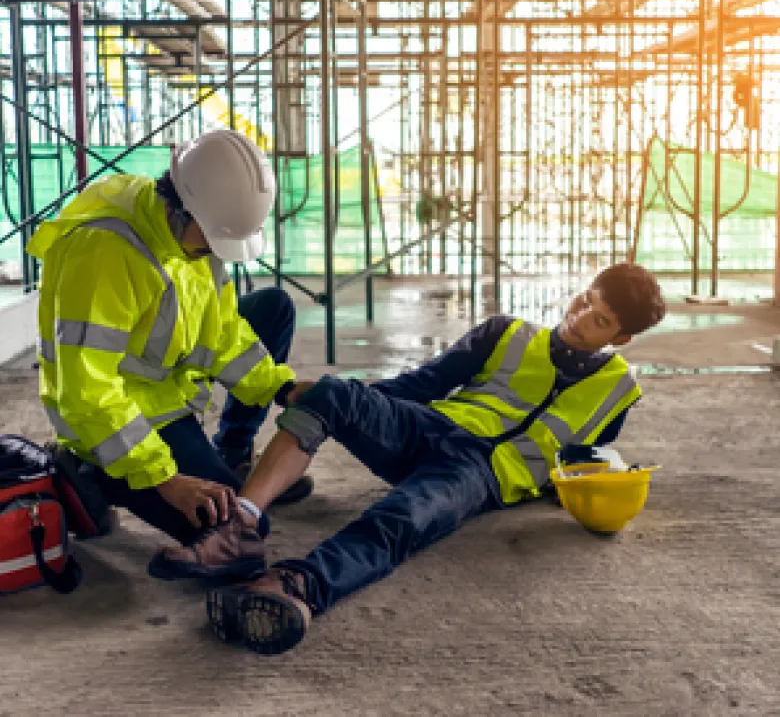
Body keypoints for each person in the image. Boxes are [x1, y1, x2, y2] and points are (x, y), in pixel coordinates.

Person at [151, 262, 666, 654]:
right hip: (431, 429)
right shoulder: (506, 333)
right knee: (332, 394)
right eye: (583, 300)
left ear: (619, 338)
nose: (578, 318)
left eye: (597, 319)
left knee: (403, 519)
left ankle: (297, 586)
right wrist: (355, 403)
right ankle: (240, 526)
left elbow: (584, 456)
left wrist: (597, 492)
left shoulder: (618, 390)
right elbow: (420, 385)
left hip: (479, 476)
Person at [27, 129, 312, 555]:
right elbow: (87, 393)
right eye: (214, 240)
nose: (216, 253)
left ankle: (230, 452)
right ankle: (90, 471)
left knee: (272, 307)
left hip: (167, 397)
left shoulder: (191, 235)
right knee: (234, 530)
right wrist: (164, 479)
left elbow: (222, 332)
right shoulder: (104, 252)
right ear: (180, 209)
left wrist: (280, 388)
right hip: (112, 420)